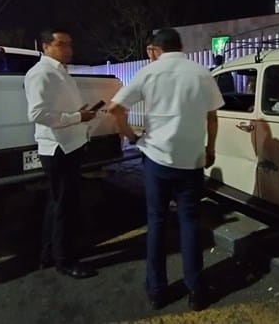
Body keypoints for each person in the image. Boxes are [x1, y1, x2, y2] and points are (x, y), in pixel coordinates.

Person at [109, 28, 224, 311]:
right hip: (192, 162)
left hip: (157, 160)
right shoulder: (201, 72)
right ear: (179, 46)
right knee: (189, 222)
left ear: (153, 50)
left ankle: (158, 290)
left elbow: (115, 110)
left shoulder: (149, 72)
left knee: (157, 222)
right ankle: (196, 289)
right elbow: (212, 117)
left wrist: (133, 138)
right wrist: (210, 150)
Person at [24, 28, 98, 279]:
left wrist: (81, 115)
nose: (68, 49)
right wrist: (78, 116)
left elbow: (59, 107)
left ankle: (49, 253)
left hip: (70, 145)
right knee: (64, 206)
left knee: (58, 203)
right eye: (61, 44)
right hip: (59, 149)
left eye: (69, 44)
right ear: (45, 46)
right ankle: (65, 260)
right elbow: (37, 114)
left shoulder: (60, 71)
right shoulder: (41, 73)